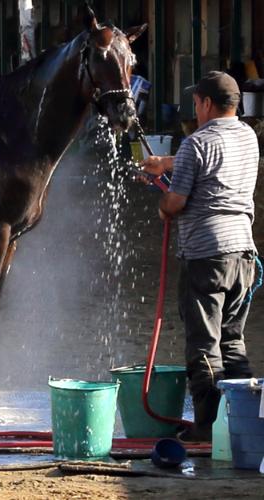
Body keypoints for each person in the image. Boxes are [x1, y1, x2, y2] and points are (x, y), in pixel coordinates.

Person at [141, 71, 260, 443]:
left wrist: (163, 204)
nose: (195, 110)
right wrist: (167, 163)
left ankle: (208, 428)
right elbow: (211, 159)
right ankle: (241, 424)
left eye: (196, 103)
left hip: (205, 255)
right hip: (243, 254)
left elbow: (175, 202)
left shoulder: (196, 143)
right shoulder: (249, 137)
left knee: (204, 345)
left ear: (207, 103)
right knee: (232, 341)